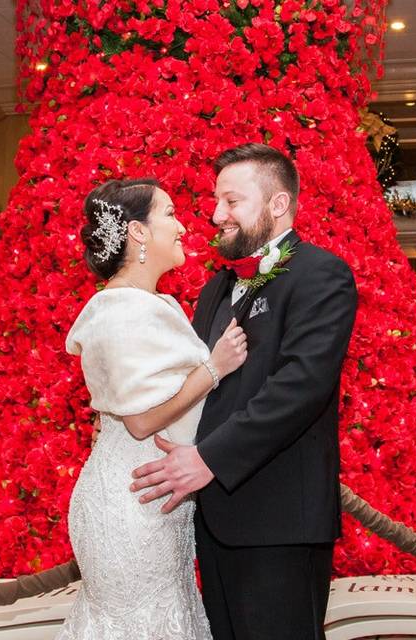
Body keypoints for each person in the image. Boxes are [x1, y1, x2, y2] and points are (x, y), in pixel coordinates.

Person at [131, 144, 359, 640]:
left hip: (279, 523)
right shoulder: (215, 288)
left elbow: (300, 387)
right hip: (213, 517)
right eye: (217, 202)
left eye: (231, 202)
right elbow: (199, 380)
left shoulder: (323, 275)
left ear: (278, 205)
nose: (216, 215)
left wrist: (208, 457)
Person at [58, 178, 247, 639]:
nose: (182, 226)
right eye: (168, 213)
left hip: (156, 496)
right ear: (138, 232)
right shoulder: (122, 310)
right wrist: (214, 368)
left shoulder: (149, 303)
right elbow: (140, 420)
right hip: (131, 501)